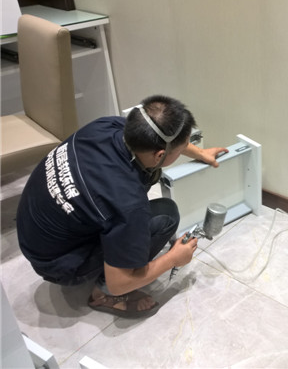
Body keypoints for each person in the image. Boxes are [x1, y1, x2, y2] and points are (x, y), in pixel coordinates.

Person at [16, 95, 228, 318]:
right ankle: (103, 295)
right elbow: (120, 283)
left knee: (120, 217)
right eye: (182, 147)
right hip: (58, 264)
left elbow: (166, 143)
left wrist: (200, 153)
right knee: (166, 216)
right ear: (159, 155)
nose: (185, 148)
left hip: (35, 236)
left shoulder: (108, 126)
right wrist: (173, 259)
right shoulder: (127, 203)